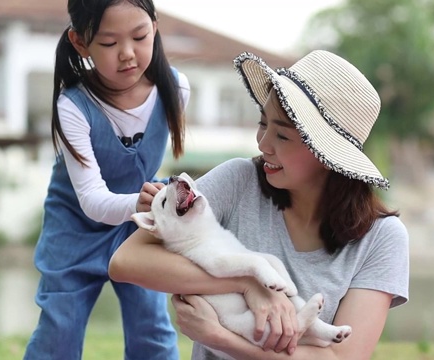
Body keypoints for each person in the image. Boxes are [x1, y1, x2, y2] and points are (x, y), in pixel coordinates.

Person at [109, 50, 409, 359]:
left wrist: (220, 337)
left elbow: (340, 357)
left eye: (282, 135)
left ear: (327, 155)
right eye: (262, 123)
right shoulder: (238, 180)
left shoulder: (382, 238)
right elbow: (125, 262)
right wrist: (248, 282)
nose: (263, 143)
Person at [23, 0, 189, 359]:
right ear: (81, 43)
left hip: (139, 224)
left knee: (153, 331)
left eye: (140, 36)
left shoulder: (176, 89)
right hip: (75, 228)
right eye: (110, 44)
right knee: (59, 334)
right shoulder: (73, 106)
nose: (128, 54)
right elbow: (93, 199)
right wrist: (138, 203)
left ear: (155, 27)